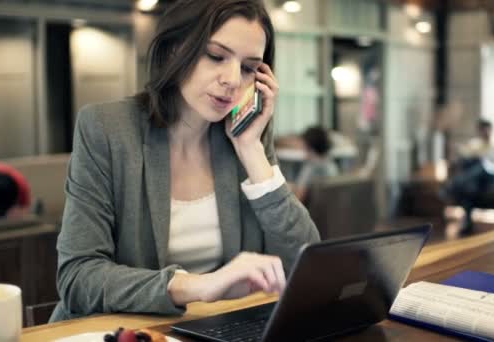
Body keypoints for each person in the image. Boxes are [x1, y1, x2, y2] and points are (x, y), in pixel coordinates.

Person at [50, 0, 320, 322]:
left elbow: (305, 262)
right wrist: (201, 286)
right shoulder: (106, 129)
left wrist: (250, 150)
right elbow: (78, 278)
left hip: (211, 326)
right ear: (175, 50)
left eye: (249, 68)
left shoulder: (246, 135)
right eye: (216, 56)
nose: (233, 80)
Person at [442, 119, 494, 236]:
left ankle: (451, 187)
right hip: (477, 182)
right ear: (479, 131)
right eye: (483, 130)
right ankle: (467, 223)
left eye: (487, 129)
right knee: (471, 186)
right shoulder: (474, 145)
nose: (485, 132)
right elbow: (463, 158)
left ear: (491, 130)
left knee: (482, 166)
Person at [293, 126, 339, 202]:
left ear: (309, 146)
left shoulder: (310, 168)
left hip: (309, 211)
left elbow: (299, 198)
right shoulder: (332, 165)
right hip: (327, 209)